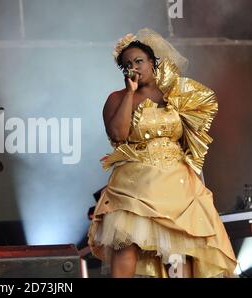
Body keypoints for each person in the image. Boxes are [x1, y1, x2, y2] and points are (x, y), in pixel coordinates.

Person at [88, 28, 237, 278]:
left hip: (176, 182)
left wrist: (198, 180)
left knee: (178, 251)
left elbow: (193, 138)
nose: (133, 67)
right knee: (126, 245)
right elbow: (118, 135)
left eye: (139, 61)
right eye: (127, 65)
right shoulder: (116, 98)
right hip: (135, 184)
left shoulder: (175, 94)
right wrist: (130, 93)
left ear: (152, 62)